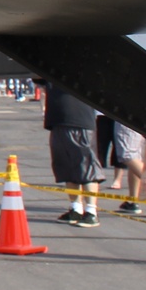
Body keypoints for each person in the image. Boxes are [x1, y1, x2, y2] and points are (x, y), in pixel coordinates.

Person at [43, 84, 102, 226]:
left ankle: (91, 211)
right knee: (65, 167)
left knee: (86, 167)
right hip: (58, 121)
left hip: (79, 121)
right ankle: (75, 208)